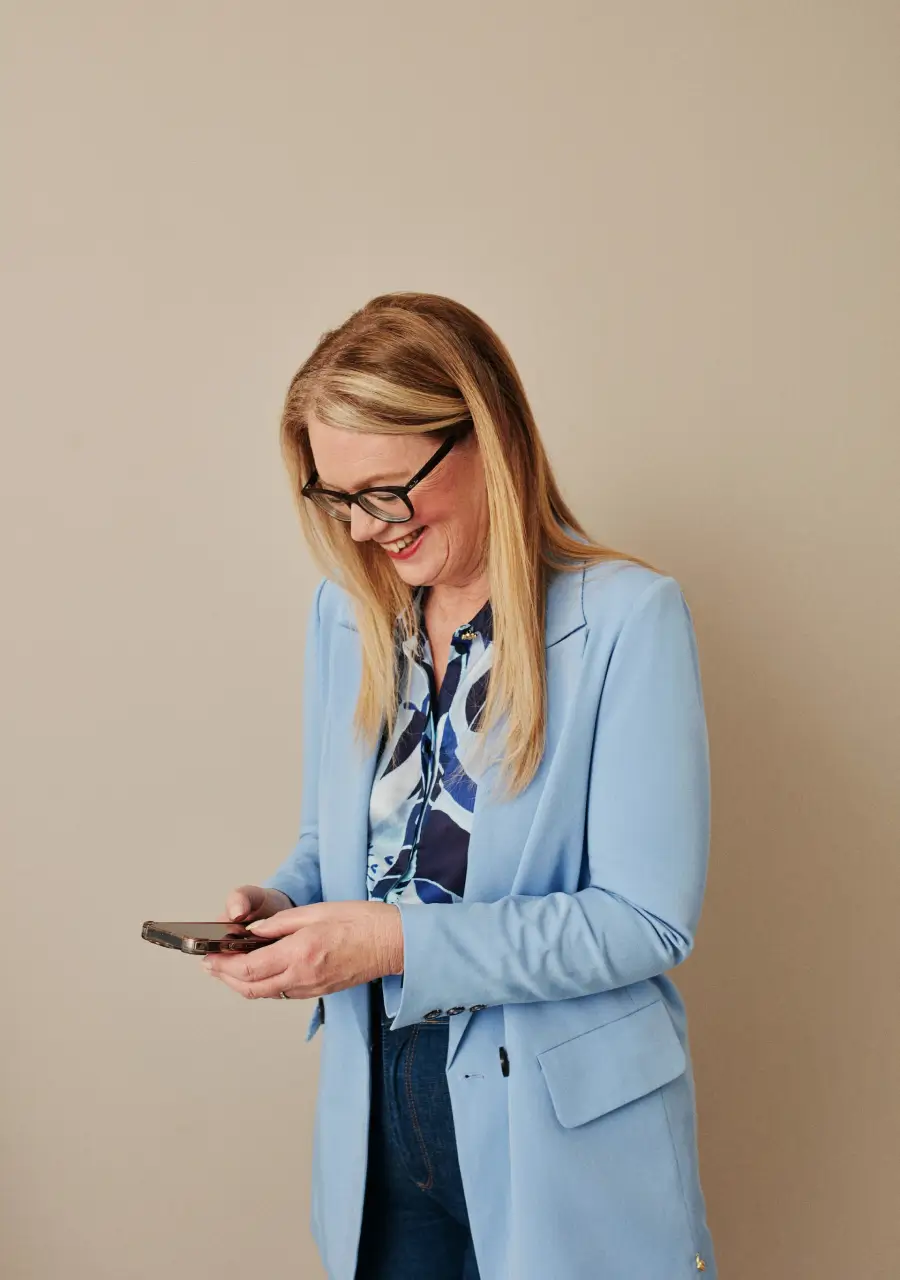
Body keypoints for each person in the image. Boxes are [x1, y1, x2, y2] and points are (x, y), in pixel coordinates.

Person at [202, 291, 718, 1279]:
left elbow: (647, 921)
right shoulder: (345, 617)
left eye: (385, 491)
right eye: (338, 498)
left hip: (561, 1123)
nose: (365, 529)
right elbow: (336, 840)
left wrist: (393, 941)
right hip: (377, 1104)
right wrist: (284, 902)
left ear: (485, 435)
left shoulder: (628, 620)